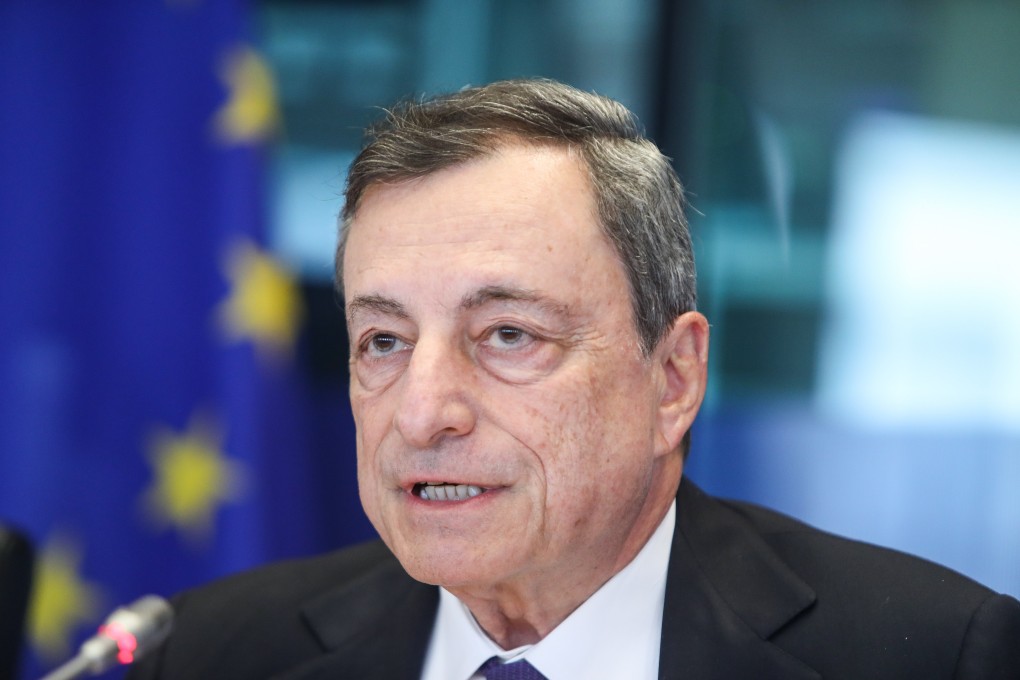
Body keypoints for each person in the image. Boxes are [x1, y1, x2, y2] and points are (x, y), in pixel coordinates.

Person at [128, 79, 1020, 680]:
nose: (422, 413)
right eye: (384, 341)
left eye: (508, 335)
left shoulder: (934, 655)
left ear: (673, 381)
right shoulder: (207, 652)